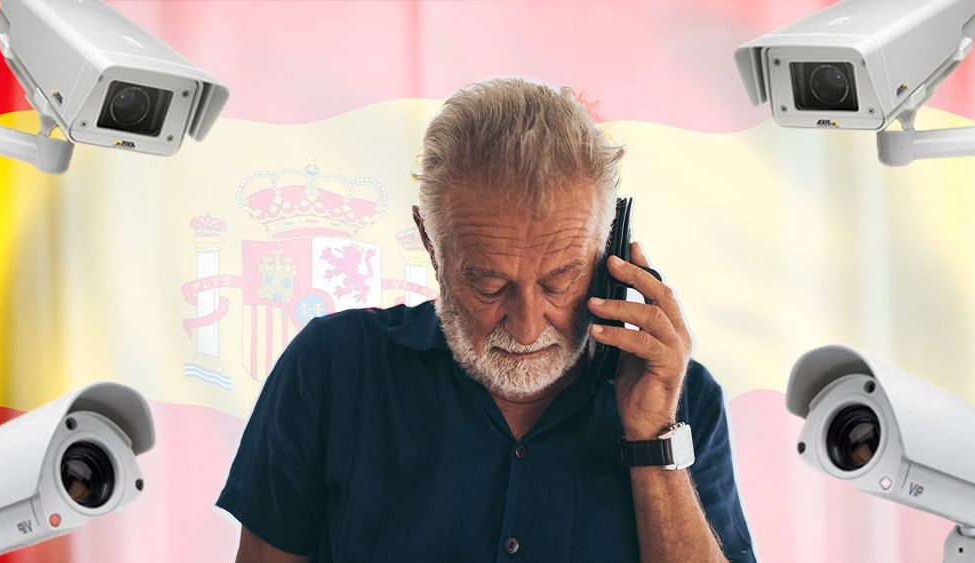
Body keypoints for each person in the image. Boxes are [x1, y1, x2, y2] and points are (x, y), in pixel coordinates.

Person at [216, 77, 756, 563]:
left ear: (607, 246)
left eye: (558, 280)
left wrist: (653, 440)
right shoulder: (329, 369)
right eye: (489, 284)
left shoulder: (682, 400)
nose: (525, 327)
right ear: (430, 243)